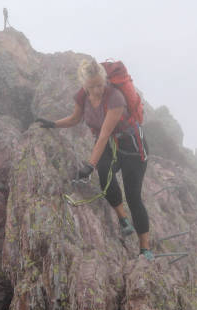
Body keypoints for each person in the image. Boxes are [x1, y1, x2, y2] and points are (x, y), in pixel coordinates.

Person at [35, 59, 154, 260]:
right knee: (105, 178)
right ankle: (123, 220)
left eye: (100, 84)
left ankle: (145, 248)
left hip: (133, 148)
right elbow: (75, 118)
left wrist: (90, 165)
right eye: (92, 87)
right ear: (84, 85)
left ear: (105, 80)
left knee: (134, 197)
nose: (97, 90)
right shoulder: (83, 96)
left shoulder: (115, 97)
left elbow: (104, 133)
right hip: (110, 145)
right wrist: (53, 124)